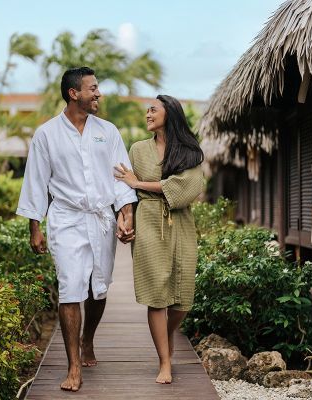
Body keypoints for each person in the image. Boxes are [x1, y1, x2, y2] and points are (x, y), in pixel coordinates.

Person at [17, 66, 137, 392]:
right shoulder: (46, 135)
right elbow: (36, 183)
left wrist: (126, 214)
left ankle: (88, 340)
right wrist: (35, 228)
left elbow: (122, 177)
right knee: (70, 287)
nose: (98, 94)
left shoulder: (108, 132)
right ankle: (73, 366)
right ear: (74, 93)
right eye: (93, 88)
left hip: (100, 219)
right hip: (66, 220)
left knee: (99, 288)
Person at [114, 95, 204, 384]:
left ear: (170, 113)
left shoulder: (190, 151)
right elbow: (124, 191)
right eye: (147, 110)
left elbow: (188, 187)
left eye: (153, 109)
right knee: (157, 296)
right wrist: (125, 218)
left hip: (182, 223)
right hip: (149, 221)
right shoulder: (138, 150)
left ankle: (166, 335)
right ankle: (165, 361)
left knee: (183, 299)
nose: (147, 114)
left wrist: (139, 183)